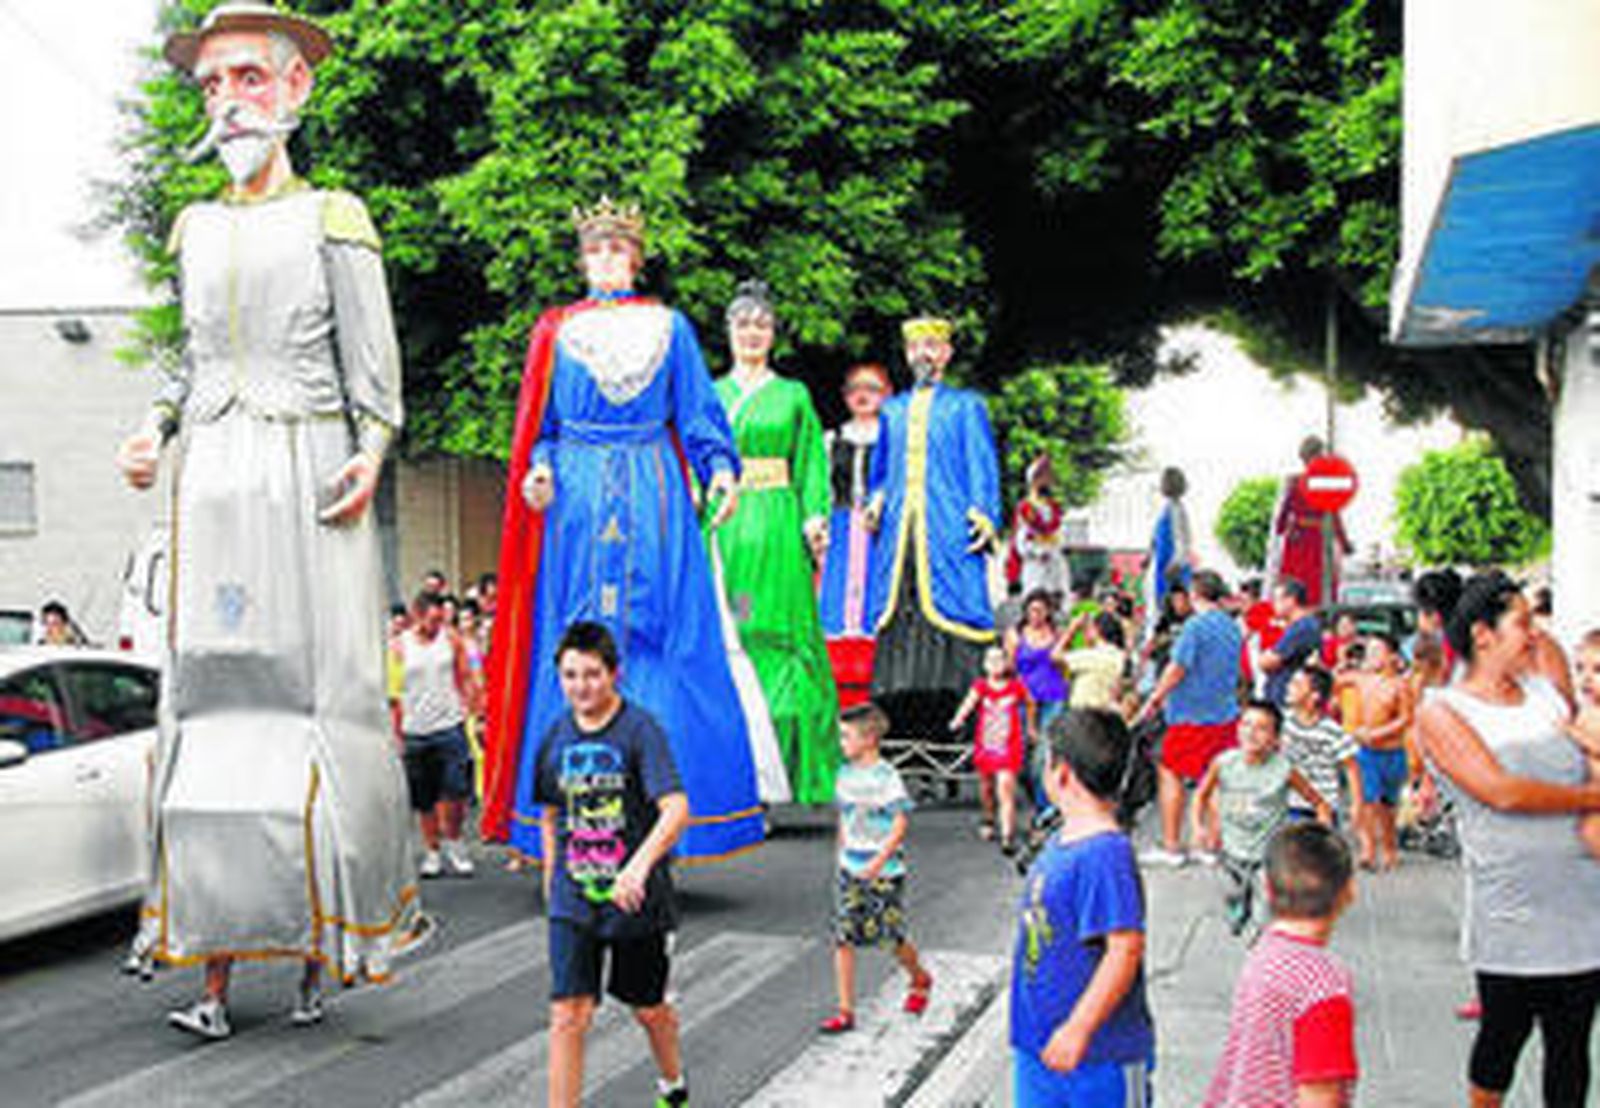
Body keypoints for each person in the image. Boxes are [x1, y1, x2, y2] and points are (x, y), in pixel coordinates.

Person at [115, 2, 423, 1038]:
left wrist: (370, 454)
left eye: (248, 78)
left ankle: (313, 945)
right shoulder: (193, 228)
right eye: (211, 85)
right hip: (212, 476)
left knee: (313, 701)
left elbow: (375, 374)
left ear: (295, 90)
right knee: (205, 701)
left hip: (305, 467)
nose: (228, 101)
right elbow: (186, 362)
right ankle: (209, 962)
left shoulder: (336, 215)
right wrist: (153, 429)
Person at [481, 197, 763, 864]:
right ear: (583, 259)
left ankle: (665, 819)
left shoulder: (672, 329)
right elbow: (541, 431)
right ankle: (561, 823)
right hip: (577, 498)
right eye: (595, 249)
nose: (606, 258)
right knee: (574, 637)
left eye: (618, 248)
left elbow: (697, 415)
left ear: (635, 258)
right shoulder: (554, 332)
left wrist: (720, 468)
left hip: (652, 488)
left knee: (662, 639)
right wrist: (539, 472)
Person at [1417, 572, 1600, 1107]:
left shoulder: (1546, 694)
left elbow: (1587, 753)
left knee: (1571, 1049)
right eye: (1521, 622)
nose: (1533, 633)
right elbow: (1502, 792)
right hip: (1512, 912)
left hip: (1582, 904)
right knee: (1502, 1039)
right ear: (1483, 634)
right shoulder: (1443, 711)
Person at [534, 622, 690, 1108]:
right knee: (568, 1015)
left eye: (592, 674)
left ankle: (672, 1083)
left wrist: (637, 868)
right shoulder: (555, 735)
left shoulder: (641, 730)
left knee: (648, 1009)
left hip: (635, 901)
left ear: (614, 674)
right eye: (571, 675)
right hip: (573, 899)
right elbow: (551, 812)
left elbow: (676, 808)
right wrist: (551, 882)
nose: (581, 686)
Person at [711, 279, 839, 805]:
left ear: (774, 333)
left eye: (762, 324)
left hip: (780, 523)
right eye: (743, 324)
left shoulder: (793, 395)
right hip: (727, 523)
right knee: (731, 632)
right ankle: (738, 776)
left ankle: (792, 771)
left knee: (782, 635)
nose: (752, 333)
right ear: (729, 332)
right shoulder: (711, 395)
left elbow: (811, 461)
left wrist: (814, 515)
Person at [864, 316, 1002, 735]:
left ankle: (957, 725)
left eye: (932, 345)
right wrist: (878, 499)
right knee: (898, 605)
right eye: (915, 347)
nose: (923, 353)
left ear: (946, 353)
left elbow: (982, 464)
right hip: (900, 530)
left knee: (951, 601)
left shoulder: (966, 406)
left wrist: (984, 512)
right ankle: (903, 726)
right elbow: (882, 468)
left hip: (945, 524)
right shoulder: (892, 409)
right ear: (907, 355)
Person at [1011, 709, 1154, 1106]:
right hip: (1040, 1043)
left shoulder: (1105, 853)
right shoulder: (1064, 840)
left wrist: (1079, 1028)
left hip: (1100, 1053)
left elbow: (1124, 949)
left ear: (1061, 773)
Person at [1203, 823, 1360, 1107]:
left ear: (1267, 890)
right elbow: (1320, 1096)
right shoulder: (1324, 985)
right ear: (1348, 892)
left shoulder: (1263, 952)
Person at [821, 701, 934, 1034]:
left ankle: (919, 977)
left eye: (846, 737)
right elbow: (844, 815)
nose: (841, 743)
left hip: (884, 871)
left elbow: (899, 823)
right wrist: (840, 854)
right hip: (849, 866)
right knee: (843, 937)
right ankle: (845, 1010)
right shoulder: (844, 774)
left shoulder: (887, 777)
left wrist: (878, 861)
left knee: (890, 938)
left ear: (868, 739)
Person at [1192, 700, 1332, 936]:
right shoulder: (1224, 764)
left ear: (1276, 739)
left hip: (1269, 853)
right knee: (1235, 894)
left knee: (1264, 910)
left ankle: (1258, 944)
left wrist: (1322, 828)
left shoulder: (1284, 769)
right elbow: (1201, 796)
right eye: (1246, 724)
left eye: (1261, 728)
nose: (1251, 733)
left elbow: (1317, 801)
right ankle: (1239, 906)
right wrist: (1199, 827)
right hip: (1231, 851)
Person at [1136, 570, 1242, 865]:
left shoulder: (1194, 627)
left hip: (1190, 714)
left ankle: (1172, 846)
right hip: (1225, 712)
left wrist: (1155, 697)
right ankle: (1211, 845)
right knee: (1215, 779)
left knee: (1170, 771)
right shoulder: (1232, 627)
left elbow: (1177, 667)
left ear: (1195, 595)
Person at [393, 591, 481, 878]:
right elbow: (393, 694)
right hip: (415, 730)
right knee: (425, 798)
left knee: (455, 792)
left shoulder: (451, 639)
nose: (436, 625)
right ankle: (432, 851)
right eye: (431, 620)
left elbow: (465, 676)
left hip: (450, 725)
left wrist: (476, 711)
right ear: (417, 615)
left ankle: (454, 842)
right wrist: (396, 733)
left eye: (440, 619)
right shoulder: (398, 646)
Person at [819, 363, 892, 708]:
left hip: (880, 529)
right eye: (855, 388)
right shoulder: (832, 440)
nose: (862, 395)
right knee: (835, 592)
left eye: (872, 388)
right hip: (840, 523)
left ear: (887, 395)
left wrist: (881, 501)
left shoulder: (893, 440)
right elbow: (820, 488)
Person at [949, 645, 1033, 853]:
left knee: (1005, 788)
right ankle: (988, 818)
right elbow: (969, 703)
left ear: (1006, 664)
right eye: (991, 660)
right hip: (986, 746)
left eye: (1000, 660)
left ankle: (1007, 836)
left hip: (1009, 747)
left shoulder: (1016, 686)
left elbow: (1031, 703)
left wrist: (1031, 727)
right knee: (987, 787)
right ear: (984, 665)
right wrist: (958, 719)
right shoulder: (981, 686)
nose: (996, 664)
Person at [1340, 634, 1413, 871]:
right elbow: (1335, 681)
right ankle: (1368, 849)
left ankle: (1390, 846)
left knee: (1388, 806)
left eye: (1376, 651)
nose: (1371, 657)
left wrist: (1379, 733)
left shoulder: (1400, 685)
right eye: (1368, 652)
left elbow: (1405, 718)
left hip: (1392, 751)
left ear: (1392, 656)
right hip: (1366, 752)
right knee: (1367, 801)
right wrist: (1342, 662)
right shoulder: (1362, 680)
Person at [1267, 435, 1352, 609]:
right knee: (1317, 588)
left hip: (1300, 540)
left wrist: (1281, 531)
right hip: (1314, 540)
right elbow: (1335, 517)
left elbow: (1282, 516)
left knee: (1300, 586)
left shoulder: (1294, 482)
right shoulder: (1322, 483)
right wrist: (1344, 543)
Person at [1006, 589, 1067, 823]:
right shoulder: (1015, 635)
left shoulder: (1055, 634)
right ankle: (1036, 798)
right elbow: (1011, 668)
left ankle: (1046, 807)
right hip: (1024, 698)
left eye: (1041, 610)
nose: (1036, 615)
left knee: (1044, 753)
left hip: (1053, 695)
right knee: (1021, 756)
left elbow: (1064, 664)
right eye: (1032, 610)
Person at [1282, 666, 1363, 828]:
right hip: (1288, 803)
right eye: (1291, 682)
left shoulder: (1332, 731)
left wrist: (1357, 805)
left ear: (1314, 696)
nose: (1288, 687)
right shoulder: (1283, 722)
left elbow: (1352, 768)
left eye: (1297, 684)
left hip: (1322, 808)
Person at [1005, 455, 1069, 602]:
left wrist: (1054, 549)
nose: (1047, 480)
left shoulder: (1054, 507)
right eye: (1042, 476)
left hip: (1054, 559)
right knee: (1035, 597)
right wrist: (1036, 552)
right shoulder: (1026, 508)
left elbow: (1060, 533)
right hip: (1034, 562)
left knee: (1058, 596)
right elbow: (1021, 539)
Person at [1144, 466, 1193, 636]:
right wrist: (1149, 555)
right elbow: (1155, 537)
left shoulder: (1177, 510)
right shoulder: (1165, 508)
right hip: (1162, 565)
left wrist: (1175, 564)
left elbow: (1182, 541)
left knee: (1168, 607)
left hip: (1170, 569)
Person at [1258, 577, 1321, 708]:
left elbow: (1268, 662)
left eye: (1276, 599)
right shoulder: (1296, 627)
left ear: (1291, 600)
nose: (1273, 604)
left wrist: (1264, 657)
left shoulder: (1302, 628)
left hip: (1287, 699)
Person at [1055, 611, 1128, 714]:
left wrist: (1072, 629)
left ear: (1097, 630)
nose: (1084, 632)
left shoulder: (1091, 655)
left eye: (1087, 629)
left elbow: (1055, 656)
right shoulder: (1118, 654)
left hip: (1083, 715)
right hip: (1106, 715)